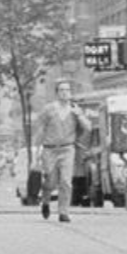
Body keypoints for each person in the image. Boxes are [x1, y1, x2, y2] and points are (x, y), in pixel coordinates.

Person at [35, 80, 86, 223]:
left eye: (67, 90)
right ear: (57, 93)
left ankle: (63, 211)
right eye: (62, 90)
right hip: (50, 149)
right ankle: (45, 201)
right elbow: (40, 130)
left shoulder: (75, 110)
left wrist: (80, 116)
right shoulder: (49, 109)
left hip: (67, 149)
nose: (65, 93)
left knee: (66, 181)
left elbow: (87, 128)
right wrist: (35, 154)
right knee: (50, 181)